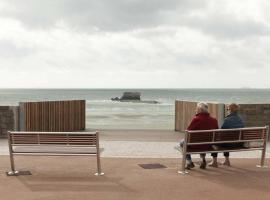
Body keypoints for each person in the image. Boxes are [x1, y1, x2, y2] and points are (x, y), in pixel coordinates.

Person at [179, 102, 218, 169]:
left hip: (196, 145)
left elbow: (188, 131)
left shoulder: (196, 119)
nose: (195, 110)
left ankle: (189, 162)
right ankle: (203, 160)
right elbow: (217, 132)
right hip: (208, 145)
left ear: (200, 110)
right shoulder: (214, 120)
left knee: (182, 142)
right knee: (203, 140)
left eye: (196, 109)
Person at [209, 103, 244, 167]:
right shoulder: (241, 119)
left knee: (214, 141)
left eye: (227, 109)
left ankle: (214, 162)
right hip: (239, 143)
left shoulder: (227, 119)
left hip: (230, 144)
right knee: (227, 138)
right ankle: (227, 161)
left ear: (230, 110)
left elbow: (221, 132)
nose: (227, 110)